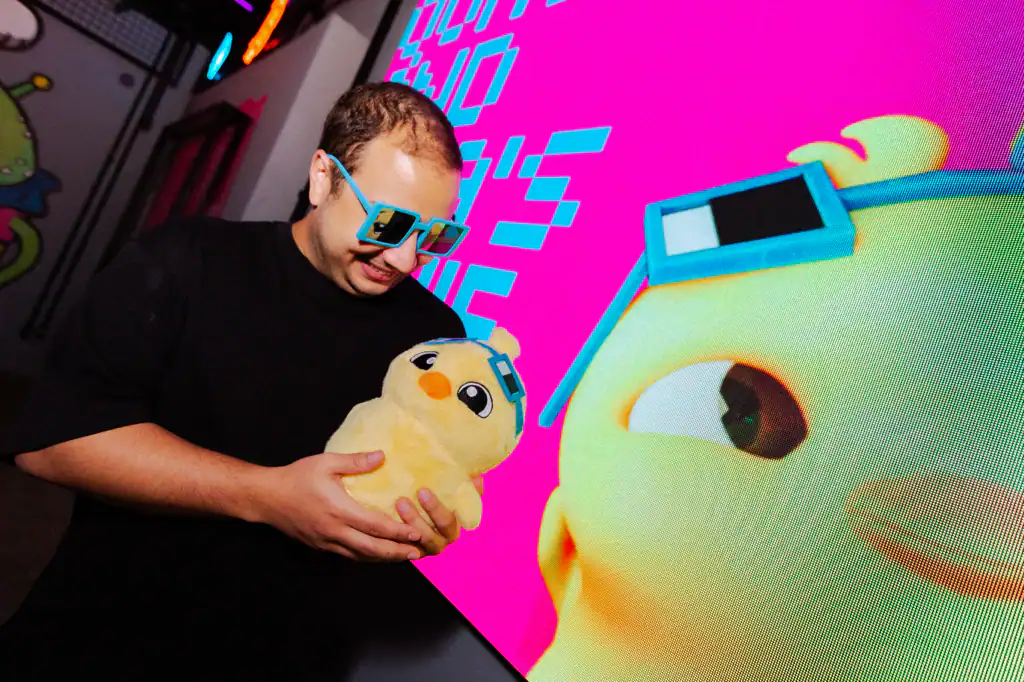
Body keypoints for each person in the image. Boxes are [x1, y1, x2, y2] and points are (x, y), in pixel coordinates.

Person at [0, 82, 480, 680]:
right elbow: (53, 442)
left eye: (433, 236)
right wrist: (265, 495)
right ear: (323, 179)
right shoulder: (187, 260)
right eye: (388, 223)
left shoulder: (436, 337)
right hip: (102, 640)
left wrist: (422, 525)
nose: (405, 259)